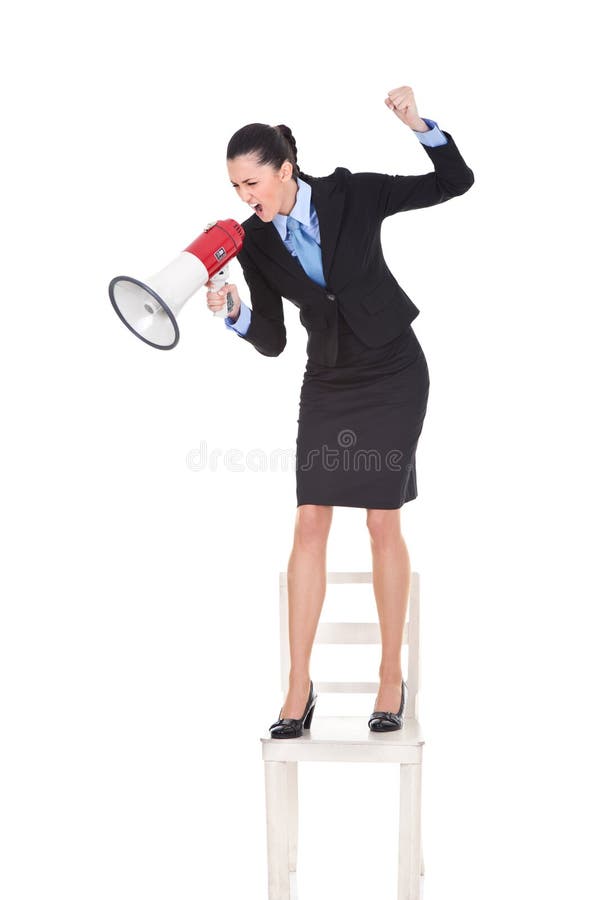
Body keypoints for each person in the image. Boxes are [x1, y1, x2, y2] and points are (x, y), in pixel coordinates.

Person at [205, 85, 474, 737]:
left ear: (284, 169)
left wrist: (419, 125)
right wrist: (235, 311)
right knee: (309, 521)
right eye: (236, 187)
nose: (246, 197)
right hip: (328, 380)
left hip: (392, 371)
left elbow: (455, 181)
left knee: (382, 521)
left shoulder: (354, 194)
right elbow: (271, 339)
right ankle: (298, 688)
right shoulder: (252, 242)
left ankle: (390, 676)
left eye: (252, 183)